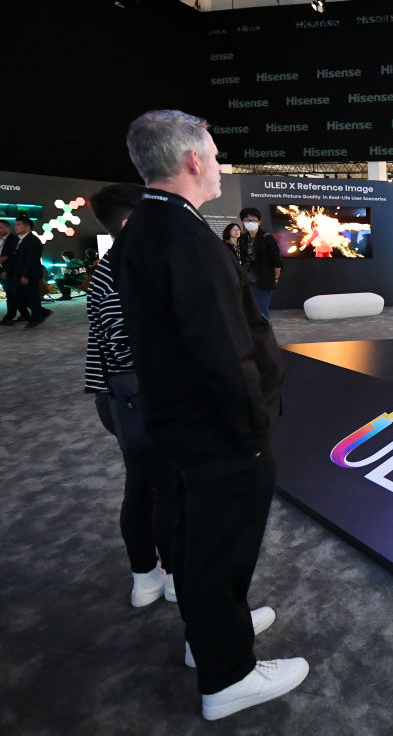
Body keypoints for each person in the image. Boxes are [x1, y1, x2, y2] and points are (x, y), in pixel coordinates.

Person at [114, 109, 307, 721]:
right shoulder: (187, 238)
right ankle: (229, 675)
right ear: (193, 159)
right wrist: (253, 432)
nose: (221, 165)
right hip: (218, 428)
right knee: (220, 546)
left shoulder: (145, 226)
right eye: (217, 154)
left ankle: (213, 634)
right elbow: (224, 351)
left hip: (179, 419)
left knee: (200, 539)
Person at [85, 183, 180, 606]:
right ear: (130, 223)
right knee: (168, 490)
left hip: (121, 399)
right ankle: (177, 576)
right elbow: (128, 344)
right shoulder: (127, 269)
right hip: (144, 398)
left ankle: (145, 577)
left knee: (140, 486)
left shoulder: (109, 267)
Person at [3, 216, 51, 330]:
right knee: (18, 295)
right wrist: (6, 270)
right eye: (15, 224)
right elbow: (14, 258)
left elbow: (32, 259)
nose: (15, 227)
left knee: (32, 297)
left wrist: (26, 275)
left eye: (18, 224)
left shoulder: (33, 240)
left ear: (27, 226)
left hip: (29, 274)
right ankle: (42, 313)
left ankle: (36, 318)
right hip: (19, 274)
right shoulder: (20, 240)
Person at [237, 207, 282, 320]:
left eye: (253, 220)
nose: (250, 222)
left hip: (263, 279)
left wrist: (275, 278)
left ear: (259, 221)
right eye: (247, 220)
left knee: (261, 311)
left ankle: (265, 331)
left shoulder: (267, 238)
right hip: (247, 280)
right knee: (247, 311)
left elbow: (277, 261)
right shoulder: (242, 239)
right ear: (242, 221)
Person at [0, 220, 29, 324]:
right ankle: (25, 315)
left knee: (12, 294)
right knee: (13, 294)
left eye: (1, 227)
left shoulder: (14, 240)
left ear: (8, 228)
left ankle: (10, 316)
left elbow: (15, 256)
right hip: (2, 270)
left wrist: (6, 263)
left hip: (12, 270)